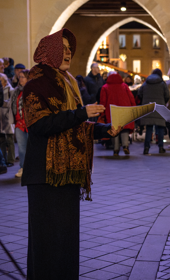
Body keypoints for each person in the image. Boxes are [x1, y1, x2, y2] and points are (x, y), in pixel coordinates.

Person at [22, 28, 120, 280]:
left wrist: (105, 130)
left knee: (65, 241)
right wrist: (81, 113)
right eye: (62, 47)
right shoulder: (35, 85)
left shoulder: (69, 83)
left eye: (69, 48)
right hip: (45, 174)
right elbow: (40, 125)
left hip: (68, 173)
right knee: (47, 242)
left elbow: (77, 127)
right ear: (49, 51)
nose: (68, 52)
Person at [99, 71, 136, 155]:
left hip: (112, 111)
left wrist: (102, 113)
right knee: (124, 128)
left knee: (114, 128)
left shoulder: (105, 87)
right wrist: (133, 108)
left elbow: (103, 101)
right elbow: (131, 98)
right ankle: (125, 146)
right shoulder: (125, 86)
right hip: (124, 110)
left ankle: (116, 149)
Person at [138, 69, 169, 154]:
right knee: (160, 128)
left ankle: (146, 148)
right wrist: (163, 102)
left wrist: (145, 101)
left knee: (149, 128)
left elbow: (140, 93)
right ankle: (161, 147)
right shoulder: (162, 84)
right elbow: (167, 95)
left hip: (149, 108)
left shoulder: (146, 83)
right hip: (159, 107)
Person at [10, 69, 29, 178]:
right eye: (19, 77)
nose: (20, 79)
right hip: (19, 123)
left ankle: (32, 168)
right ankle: (22, 167)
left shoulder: (32, 90)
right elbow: (13, 106)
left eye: (22, 77)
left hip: (30, 123)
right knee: (21, 148)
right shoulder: (16, 91)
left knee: (31, 147)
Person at [0, 73, 15, 166]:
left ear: (4, 81)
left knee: (9, 140)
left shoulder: (10, 90)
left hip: (7, 118)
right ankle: (3, 159)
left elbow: (10, 103)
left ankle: (11, 160)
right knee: (1, 140)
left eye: (0, 81)